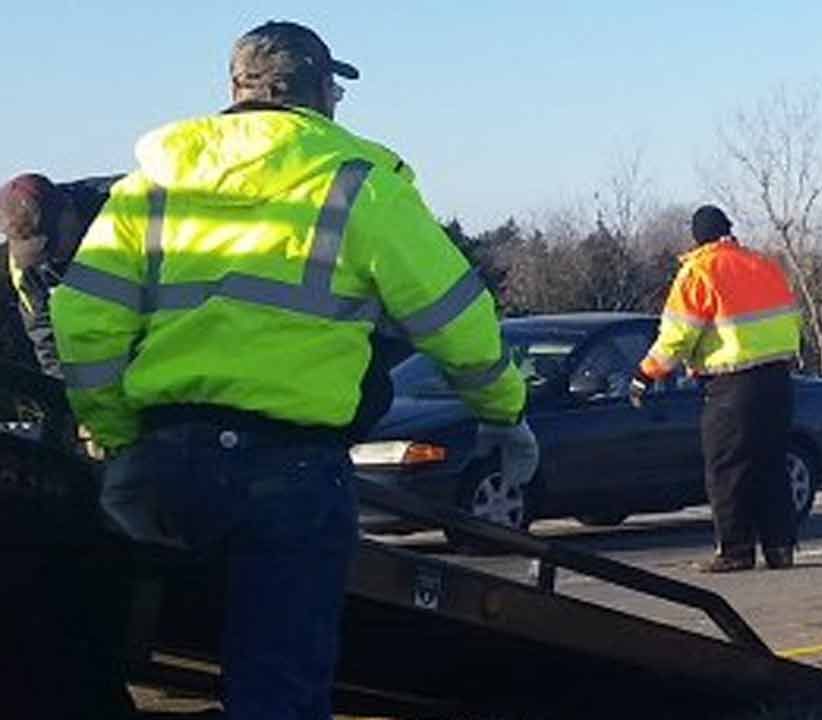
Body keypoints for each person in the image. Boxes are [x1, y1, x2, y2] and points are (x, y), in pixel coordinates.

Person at [51, 19, 537, 719]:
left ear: (235, 90)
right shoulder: (360, 186)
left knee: (105, 661)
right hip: (292, 474)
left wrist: (116, 431)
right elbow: (458, 320)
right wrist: (504, 411)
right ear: (321, 93)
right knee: (277, 687)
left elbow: (85, 320)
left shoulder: (152, 183)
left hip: (165, 461)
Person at [630, 205, 802, 573]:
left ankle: (736, 551)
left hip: (732, 385)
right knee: (771, 465)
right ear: (728, 230)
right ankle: (780, 548)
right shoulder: (763, 265)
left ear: (697, 237)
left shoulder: (699, 270)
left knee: (728, 469)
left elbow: (677, 335)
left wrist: (645, 374)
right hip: (778, 380)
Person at [0, 173, 121, 378]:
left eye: (51, 244)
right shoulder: (24, 264)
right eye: (34, 251)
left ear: (68, 212)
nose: (47, 258)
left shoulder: (125, 207)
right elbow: (44, 334)